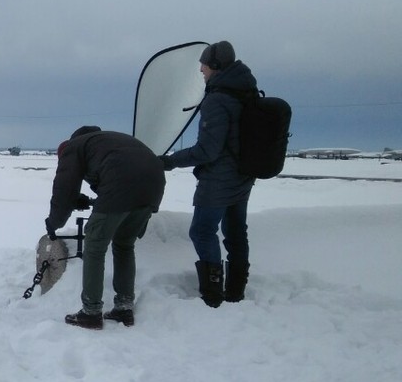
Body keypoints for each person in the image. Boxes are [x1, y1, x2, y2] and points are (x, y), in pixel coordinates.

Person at [161, 40, 256, 307]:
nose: (201, 70)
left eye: (204, 64)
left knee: (202, 232)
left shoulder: (217, 100)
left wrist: (169, 161)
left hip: (218, 179)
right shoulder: (245, 92)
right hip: (243, 176)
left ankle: (213, 296)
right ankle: (236, 292)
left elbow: (207, 150)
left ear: (215, 66)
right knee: (236, 232)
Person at [45, 125, 166, 329]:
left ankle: (91, 312)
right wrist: (81, 199)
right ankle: (124, 308)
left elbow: (64, 189)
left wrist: (53, 222)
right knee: (125, 245)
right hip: (153, 185)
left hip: (121, 184)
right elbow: (112, 173)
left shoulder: (72, 147)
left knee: (94, 246)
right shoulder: (106, 141)